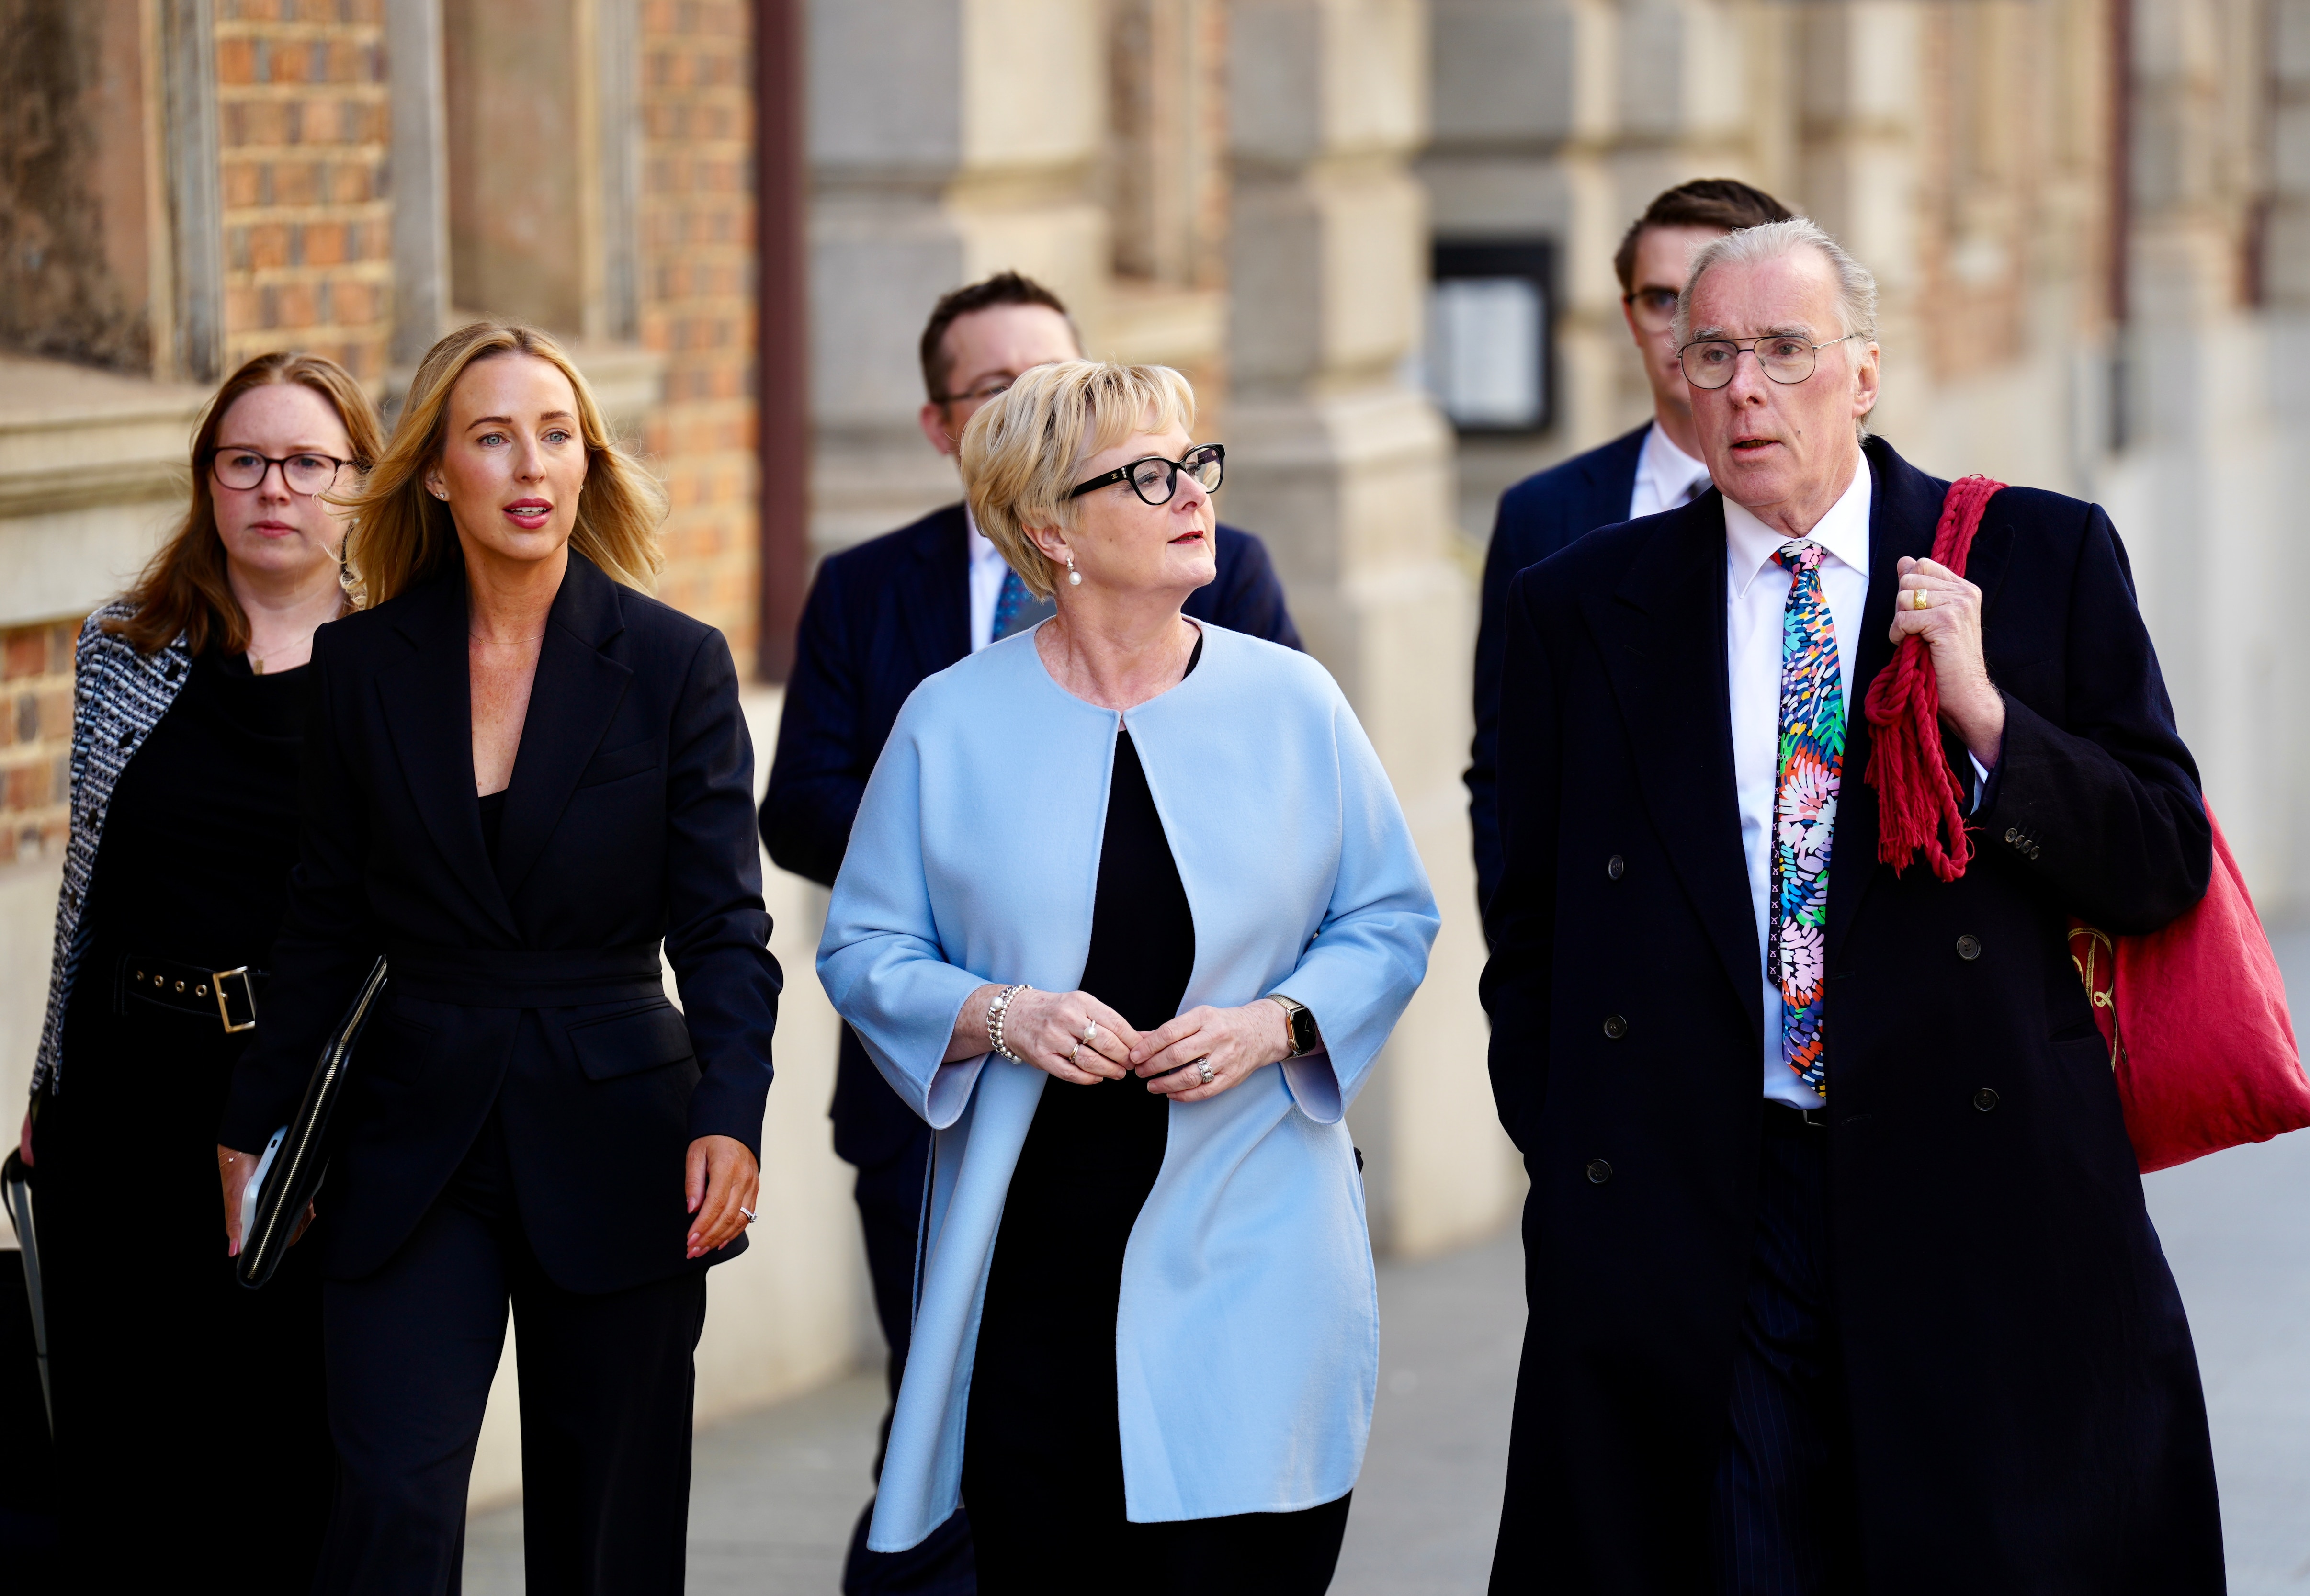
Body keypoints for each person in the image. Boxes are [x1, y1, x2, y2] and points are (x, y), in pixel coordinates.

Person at [1481, 218, 2225, 1591]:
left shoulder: (2038, 558)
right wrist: (1574, 1154)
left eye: (1785, 350)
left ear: (1865, 376)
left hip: (1977, 1194)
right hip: (1710, 1195)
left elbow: (2160, 856)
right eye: (1714, 352)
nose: (1746, 387)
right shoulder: (1578, 607)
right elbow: (1530, 924)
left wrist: (1988, 712)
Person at [817, 360, 1436, 1596]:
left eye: (1194, 463)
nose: (1189, 493)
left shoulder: (1292, 700)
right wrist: (1005, 1013)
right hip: (1035, 1249)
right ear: (1051, 527)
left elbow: (1389, 914)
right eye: (1145, 475)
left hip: (1256, 1230)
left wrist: (1277, 1023)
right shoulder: (951, 719)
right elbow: (865, 946)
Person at [215, 321, 782, 1594]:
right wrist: (255, 1120)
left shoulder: (676, 663)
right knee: (393, 1494)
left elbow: (723, 925)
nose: (530, 464)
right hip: (412, 1132)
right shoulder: (361, 665)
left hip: (623, 1127)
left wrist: (732, 1112)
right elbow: (321, 916)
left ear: (586, 460)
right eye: (491, 436)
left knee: (606, 1530)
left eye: (556, 432)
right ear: (433, 471)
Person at [757, 269, 1302, 1594]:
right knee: (954, 1437)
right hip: (940, 1101)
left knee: (1176, 1467)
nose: (1038, 404)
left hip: (1195, 1112)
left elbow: (1308, 851)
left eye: (1057, 378)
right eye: (1004, 391)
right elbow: (811, 812)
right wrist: (986, 910)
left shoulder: (1238, 604)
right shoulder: (888, 618)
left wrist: (1272, 1013)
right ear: (961, 434)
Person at [19, 351, 381, 1592]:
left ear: (358, 485)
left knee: (284, 1463)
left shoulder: (395, 670)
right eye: (244, 460)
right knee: (123, 1471)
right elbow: (88, 891)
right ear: (208, 480)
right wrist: (45, 1082)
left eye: (306, 462)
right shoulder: (129, 645)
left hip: (299, 1109)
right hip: (120, 1101)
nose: (273, 486)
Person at [1467, 179, 1792, 920]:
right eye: (1660, 300)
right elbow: (1507, 775)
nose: (1686, 328)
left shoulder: (1862, 517)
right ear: (1630, 315)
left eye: (1709, 296)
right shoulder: (1543, 516)